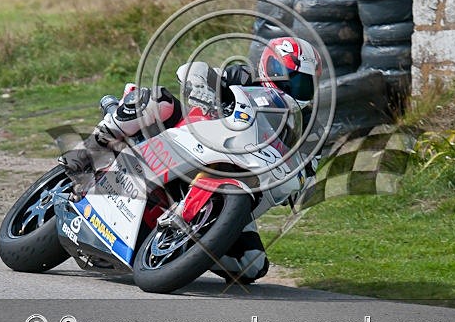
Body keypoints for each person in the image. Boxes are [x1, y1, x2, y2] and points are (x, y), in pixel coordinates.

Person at [61, 36, 323, 283]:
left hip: (241, 175)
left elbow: (308, 167)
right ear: (268, 65)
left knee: (251, 264)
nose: (292, 85)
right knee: (157, 100)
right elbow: (193, 69)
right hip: (189, 136)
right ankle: (87, 152)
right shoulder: (240, 76)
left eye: (302, 82)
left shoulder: (308, 125)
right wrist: (202, 89)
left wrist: (300, 180)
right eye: (287, 74)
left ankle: (191, 246)